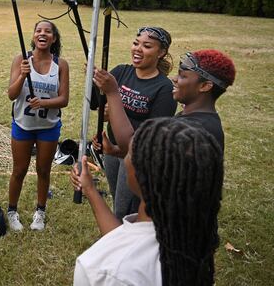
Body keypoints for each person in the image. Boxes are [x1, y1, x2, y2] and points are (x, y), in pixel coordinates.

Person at [71, 117, 223, 286]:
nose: (125, 155)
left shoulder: (102, 271)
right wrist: (91, 190)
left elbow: (129, 248)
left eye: (129, 152)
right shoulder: (191, 233)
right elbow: (136, 241)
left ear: (140, 177)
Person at [93, 26, 177, 220]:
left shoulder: (165, 88)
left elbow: (151, 134)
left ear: (161, 52)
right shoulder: (122, 71)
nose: (138, 49)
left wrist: (113, 113)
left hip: (135, 156)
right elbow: (97, 103)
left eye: (147, 46)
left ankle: (123, 242)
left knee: (125, 210)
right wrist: (93, 79)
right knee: (118, 201)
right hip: (111, 150)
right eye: (135, 43)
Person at [93, 48, 236, 155]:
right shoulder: (190, 119)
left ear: (205, 86)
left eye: (183, 76)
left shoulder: (193, 130)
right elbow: (144, 150)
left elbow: (132, 147)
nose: (174, 79)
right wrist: (113, 150)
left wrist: (113, 93)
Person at [6, 20, 69, 231]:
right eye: (38, 30)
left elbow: (64, 100)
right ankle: (11, 212)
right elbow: (11, 95)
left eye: (48, 31)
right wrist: (23, 74)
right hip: (23, 124)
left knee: (43, 170)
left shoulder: (60, 64)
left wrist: (43, 102)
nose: (42, 34)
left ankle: (40, 212)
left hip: (48, 126)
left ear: (54, 38)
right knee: (19, 170)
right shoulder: (21, 60)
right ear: (33, 36)